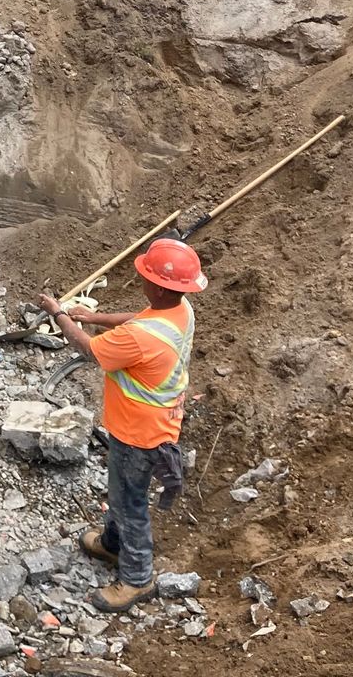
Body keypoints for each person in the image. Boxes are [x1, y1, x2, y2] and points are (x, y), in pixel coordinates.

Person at [38, 237, 207, 613]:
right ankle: (113, 544)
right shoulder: (179, 311)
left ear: (158, 285)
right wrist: (91, 316)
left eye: (146, 274)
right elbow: (138, 320)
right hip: (153, 425)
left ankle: (137, 578)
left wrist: (59, 314)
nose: (142, 279)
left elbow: (89, 349)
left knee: (130, 503)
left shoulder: (140, 338)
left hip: (139, 434)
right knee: (120, 492)